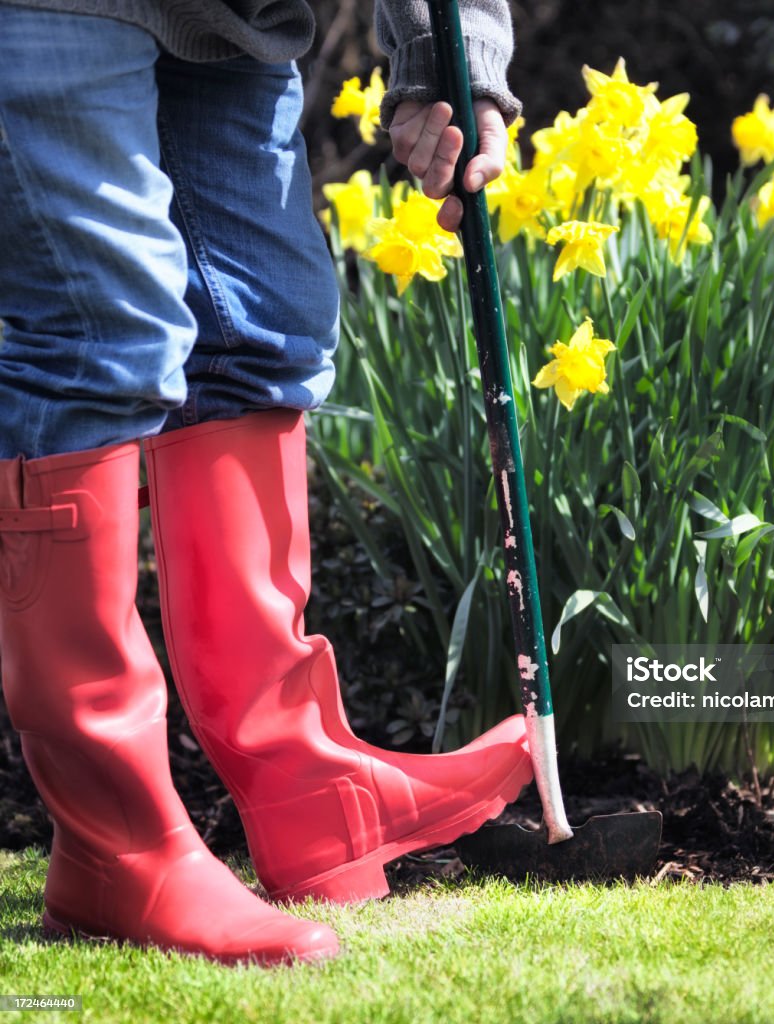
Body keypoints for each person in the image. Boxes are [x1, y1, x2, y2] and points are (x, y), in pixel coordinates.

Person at [0, 0, 531, 966]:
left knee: (257, 336)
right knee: (99, 340)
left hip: (237, 20)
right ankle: (117, 848)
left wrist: (448, 51)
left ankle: (307, 792)